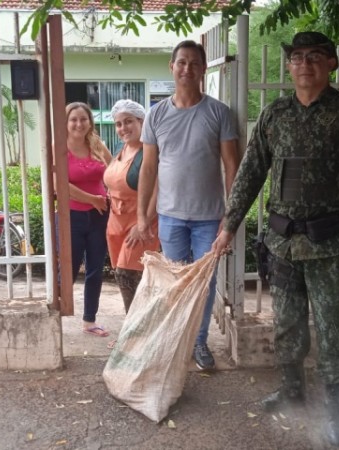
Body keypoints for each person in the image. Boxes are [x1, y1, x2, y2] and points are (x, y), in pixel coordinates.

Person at [211, 32, 339, 446]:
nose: (305, 64)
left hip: (330, 242)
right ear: (289, 65)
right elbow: (250, 175)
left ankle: (337, 408)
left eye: (315, 57)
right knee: (287, 322)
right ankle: (292, 389)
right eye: (297, 57)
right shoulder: (275, 115)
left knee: (332, 328)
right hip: (282, 243)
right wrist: (228, 226)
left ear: (332, 64)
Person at [137, 40, 240, 370]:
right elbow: (149, 168)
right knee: (175, 282)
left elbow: (231, 166)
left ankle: (198, 343)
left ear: (203, 69)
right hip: (170, 217)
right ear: (171, 67)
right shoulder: (156, 115)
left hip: (209, 218)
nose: (187, 69)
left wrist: (230, 218)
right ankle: (176, 340)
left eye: (194, 63)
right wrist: (142, 215)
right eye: (181, 62)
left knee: (204, 283)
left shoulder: (218, 113)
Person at [103, 99, 160, 317]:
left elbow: (157, 190)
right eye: (118, 124)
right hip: (116, 223)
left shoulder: (149, 151)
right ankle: (134, 327)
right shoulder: (122, 149)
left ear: (141, 121)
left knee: (128, 275)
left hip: (140, 223)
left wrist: (142, 222)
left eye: (128, 122)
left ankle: (137, 332)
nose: (123, 128)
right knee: (124, 278)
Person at [63, 102, 112, 337]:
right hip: (71, 217)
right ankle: (57, 317)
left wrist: (113, 195)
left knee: (95, 269)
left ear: (90, 122)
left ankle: (89, 321)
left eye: (83, 119)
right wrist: (92, 199)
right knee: (69, 270)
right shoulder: (59, 147)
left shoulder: (97, 145)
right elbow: (60, 185)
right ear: (66, 122)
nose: (79, 124)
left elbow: (114, 171)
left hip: (100, 217)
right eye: (74, 119)